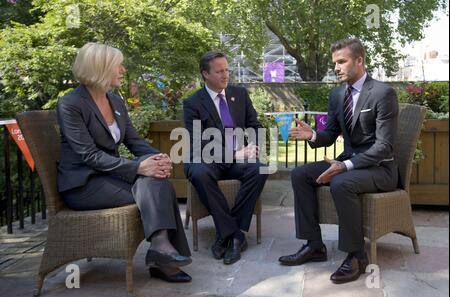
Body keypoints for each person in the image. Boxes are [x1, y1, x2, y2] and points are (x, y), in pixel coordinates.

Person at [57, 42, 192, 283]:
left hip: (109, 176)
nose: (122, 70)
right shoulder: (71, 104)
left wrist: (157, 158)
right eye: (118, 65)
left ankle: (161, 250)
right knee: (155, 184)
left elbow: (133, 141)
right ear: (101, 68)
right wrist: (139, 167)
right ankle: (162, 257)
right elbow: (89, 155)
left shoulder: (115, 102)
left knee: (156, 178)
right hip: (83, 185)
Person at [278, 38, 399, 284]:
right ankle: (314, 245)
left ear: (359, 60)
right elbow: (330, 135)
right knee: (300, 175)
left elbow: (383, 146)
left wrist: (344, 166)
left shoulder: (382, 93)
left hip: (380, 168)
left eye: (342, 61)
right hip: (349, 163)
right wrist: (311, 134)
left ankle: (356, 255)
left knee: (341, 182)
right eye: (335, 63)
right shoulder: (337, 95)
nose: (336, 67)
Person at [183, 51, 268, 265]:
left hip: (239, 159)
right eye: (219, 71)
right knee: (199, 172)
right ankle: (235, 235)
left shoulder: (239, 94)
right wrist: (233, 154)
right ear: (205, 74)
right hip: (208, 160)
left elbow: (254, 125)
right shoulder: (193, 103)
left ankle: (227, 234)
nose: (225, 75)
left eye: (227, 70)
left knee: (259, 168)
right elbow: (198, 143)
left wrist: (253, 145)